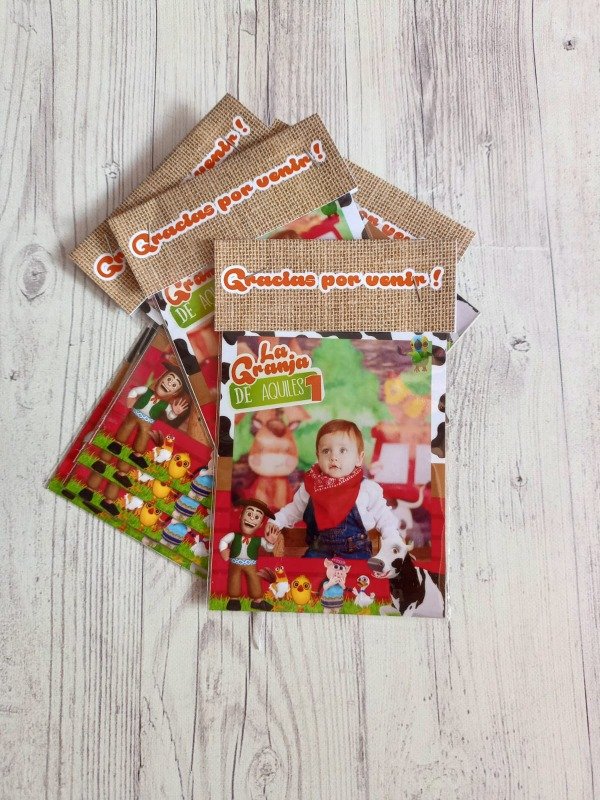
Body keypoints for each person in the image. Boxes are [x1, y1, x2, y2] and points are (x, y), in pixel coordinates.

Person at [265, 419, 399, 560]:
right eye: (326, 451)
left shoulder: (366, 489)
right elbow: (292, 510)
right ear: (318, 457)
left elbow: (385, 518)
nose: (333, 457)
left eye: (342, 450)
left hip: (355, 553)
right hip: (318, 552)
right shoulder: (311, 487)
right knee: (305, 573)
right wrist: (275, 522)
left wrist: (393, 541)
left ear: (359, 458)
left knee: (362, 574)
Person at [219, 498, 280, 611]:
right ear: (241, 516)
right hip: (235, 564)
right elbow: (223, 541)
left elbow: (268, 548)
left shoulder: (258, 540)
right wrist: (223, 550)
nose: (252, 518)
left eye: (257, 517)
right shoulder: (233, 536)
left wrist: (271, 542)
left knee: (254, 580)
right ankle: (234, 600)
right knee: (234, 578)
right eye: (249, 514)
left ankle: (257, 601)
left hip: (251, 565)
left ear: (261, 524)